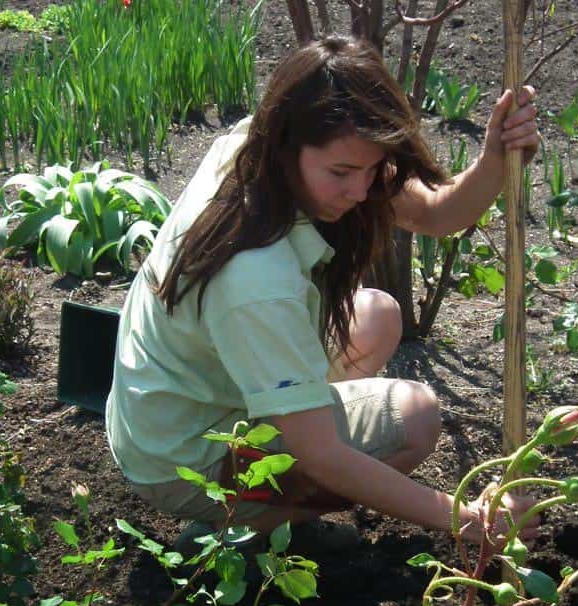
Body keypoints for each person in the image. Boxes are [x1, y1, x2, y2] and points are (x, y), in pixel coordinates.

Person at [105, 35, 541, 549]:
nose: (361, 192)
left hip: (175, 402)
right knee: (416, 418)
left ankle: (267, 507)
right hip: (182, 457)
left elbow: (436, 212)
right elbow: (321, 455)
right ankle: (237, 532)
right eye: (342, 173)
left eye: (373, 169)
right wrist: (470, 520)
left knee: (377, 315)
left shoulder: (253, 147)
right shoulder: (253, 275)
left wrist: (495, 157)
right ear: (290, 145)